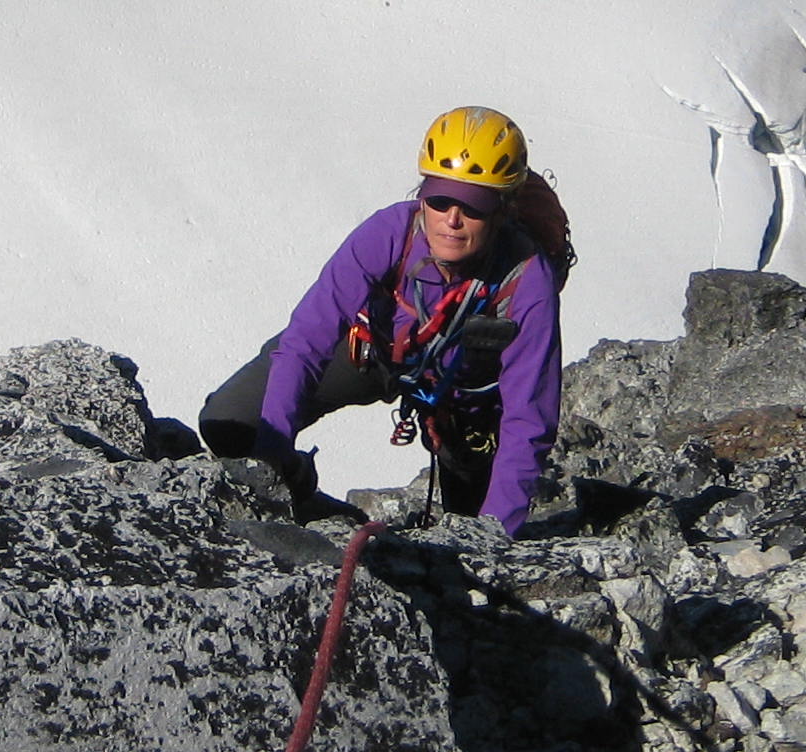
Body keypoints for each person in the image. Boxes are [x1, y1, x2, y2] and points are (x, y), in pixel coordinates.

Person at [199, 105, 571, 534]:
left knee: (469, 524)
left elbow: (529, 419)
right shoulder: (389, 233)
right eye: (440, 199)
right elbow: (306, 340)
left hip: (465, 399)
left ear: (502, 210)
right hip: (371, 353)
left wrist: (492, 540)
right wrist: (272, 461)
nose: (452, 219)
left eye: (474, 206)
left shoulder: (527, 280)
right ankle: (309, 501)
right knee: (230, 421)